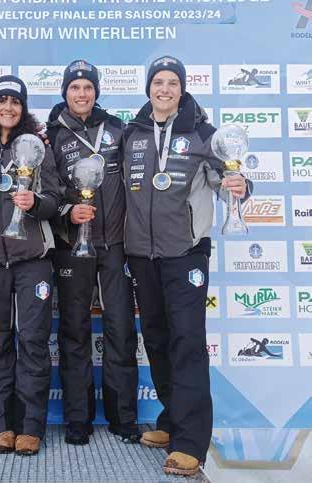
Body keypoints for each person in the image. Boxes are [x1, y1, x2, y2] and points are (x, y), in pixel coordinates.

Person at [123, 55, 250, 476]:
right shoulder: (133, 133)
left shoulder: (203, 133)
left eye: (172, 83)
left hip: (186, 254)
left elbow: (227, 179)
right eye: (158, 82)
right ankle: (171, 417)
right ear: (148, 88)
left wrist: (240, 185)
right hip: (142, 255)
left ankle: (190, 441)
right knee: (157, 340)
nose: (165, 89)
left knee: (188, 342)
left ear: (182, 89)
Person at [46, 60, 140, 445]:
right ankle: (77, 419)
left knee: (121, 329)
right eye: (75, 87)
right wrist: (69, 212)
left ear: (96, 92)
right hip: (72, 245)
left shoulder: (117, 129)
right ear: (65, 92)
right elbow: (47, 192)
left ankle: (123, 417)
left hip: (115, 245)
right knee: (74, 331)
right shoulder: (52, 135)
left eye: (88, 87)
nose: (81, 93)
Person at [0, 75, 59, 456]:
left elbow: (55, 197)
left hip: (32, 259)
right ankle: (1, 426)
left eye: (15, 101)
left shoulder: (37, 145)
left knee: (33, 341)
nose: (8, 107)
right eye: (1, 100)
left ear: (23, 108)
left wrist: (36, 203)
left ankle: (30, 426)